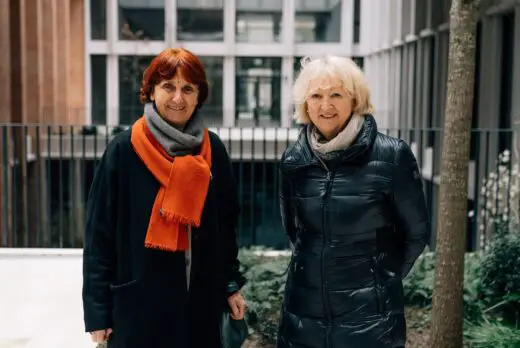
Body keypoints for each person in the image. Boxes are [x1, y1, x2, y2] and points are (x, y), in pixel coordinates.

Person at [82, 48, 247, 348]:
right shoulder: (123, 150)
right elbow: (98, 236)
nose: (178, 98)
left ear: (199, 96)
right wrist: (97, 312)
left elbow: (227, 227)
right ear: (151, 92)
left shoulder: (214, 151)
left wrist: (231, 284)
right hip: (139, 309)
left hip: (200, 306)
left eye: (188, 89)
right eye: (168, 87)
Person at [276, 56, 430, 348]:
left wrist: (380, 279)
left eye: (336, 94)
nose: (325, 105)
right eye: (316, 96)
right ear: (305, 104)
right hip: (303, 315)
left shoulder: (392, 156)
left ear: (355, 99)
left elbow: (417, 233)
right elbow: (295, 231)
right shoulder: (293, 161)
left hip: (371, 320)